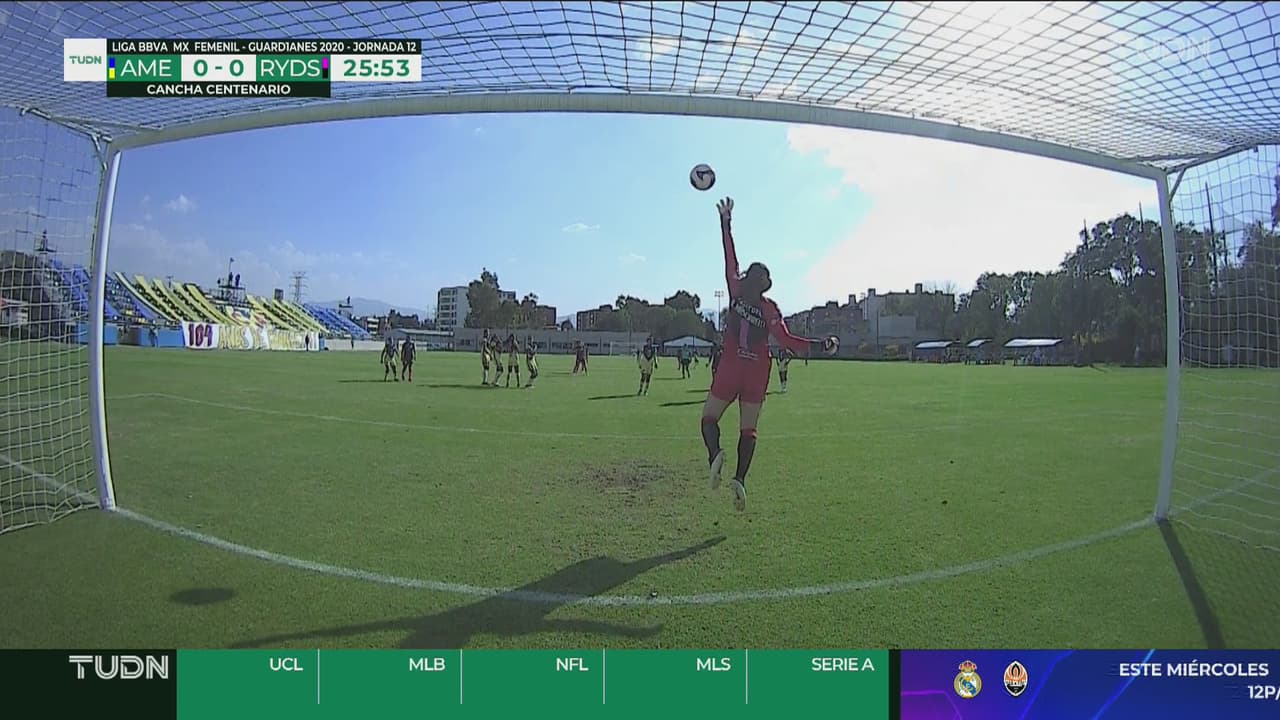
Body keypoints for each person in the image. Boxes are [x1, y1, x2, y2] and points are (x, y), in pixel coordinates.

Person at [700, 197, 837, 511]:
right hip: (758, 370)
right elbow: (788, 341)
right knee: (748, 429)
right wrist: (820, 345)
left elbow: (729, 257)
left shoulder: (735, 289)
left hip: (730, 365)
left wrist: (725, 222)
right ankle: (739, 479)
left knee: (709, 419)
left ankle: (715, 454)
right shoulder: (770, 308)